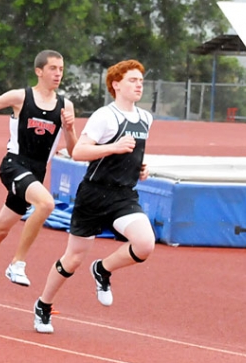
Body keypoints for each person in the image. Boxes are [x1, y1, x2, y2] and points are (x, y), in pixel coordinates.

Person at [31, 59, 155, 334]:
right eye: (133, 80)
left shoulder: (146, 118)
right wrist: (113, 147)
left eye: (141, 81)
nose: (139, 85)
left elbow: (132, 153)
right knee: (73, 258)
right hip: (94, 195)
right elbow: (79, 152)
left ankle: (102, 269)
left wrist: (139, 167)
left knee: (145, 244)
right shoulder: (105, 116)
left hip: (123, 195)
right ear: (116, 85)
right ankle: (44, 304)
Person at [0, 50, 77, 304]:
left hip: (36, 173)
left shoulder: (65, 106)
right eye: (53, 68)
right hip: (14, 165)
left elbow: (74, 150)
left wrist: (70, 128)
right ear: (39, 71)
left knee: (0, 230)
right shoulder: (21, 97)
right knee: (46, 204)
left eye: (61, 69)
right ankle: (17, 262)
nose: (58, 73)